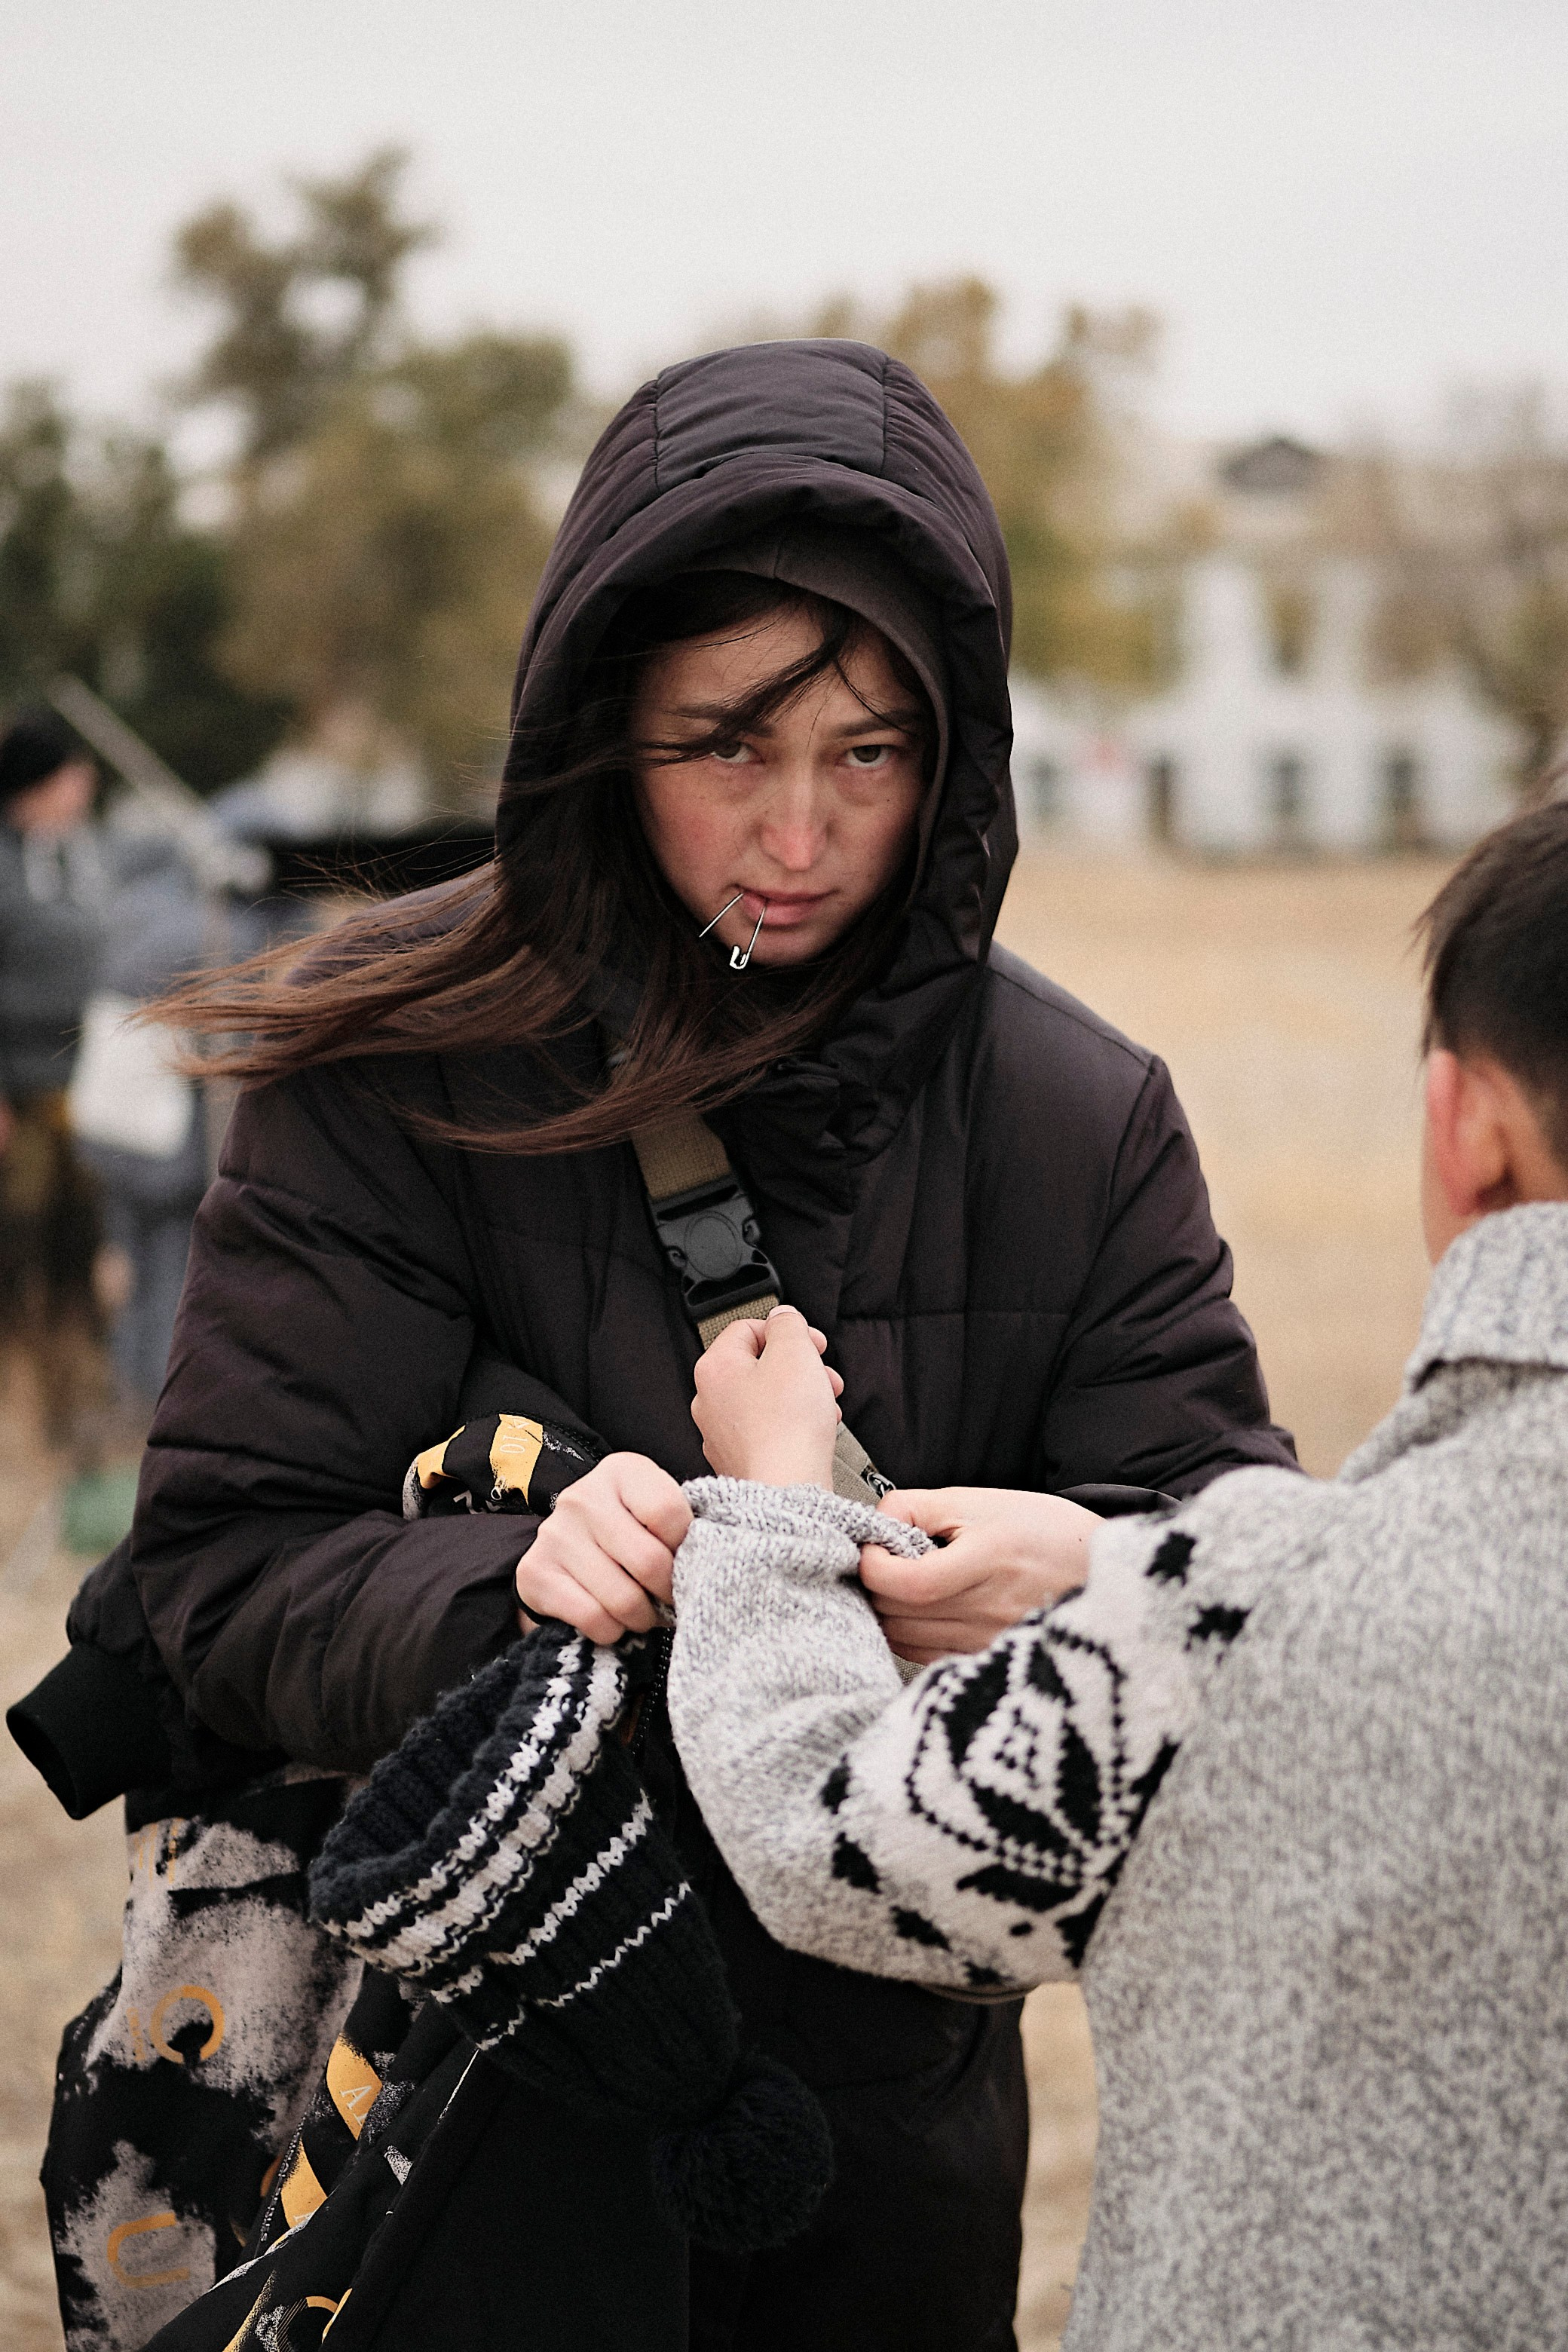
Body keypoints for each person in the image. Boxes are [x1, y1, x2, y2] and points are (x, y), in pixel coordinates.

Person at [101, 338, 1293, 2352]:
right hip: (446, 2126)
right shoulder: (395, 1062)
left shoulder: (1084, 1115)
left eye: (869, 752)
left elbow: (1238, 1604)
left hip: (886, 2156)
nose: (800, 833)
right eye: (726, 745)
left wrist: (1077, 1575)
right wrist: (508, 1583)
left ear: (959, 750)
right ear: (598, 728)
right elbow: (220, 1571)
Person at [666, 802, 1568, 2350]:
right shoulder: (1227, 1598)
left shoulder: (1238, 1619)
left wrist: (767, 1511)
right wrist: (1111, 1561)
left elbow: (819, 1834)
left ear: (1461, 1124)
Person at [0, 705, 108, 1445]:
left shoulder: (85, 855)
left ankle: (79, 1398)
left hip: (88, 1088)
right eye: (67, 772)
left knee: (82, 1244)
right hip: (19, 1093)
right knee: (22, 1243)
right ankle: (26, 1401)